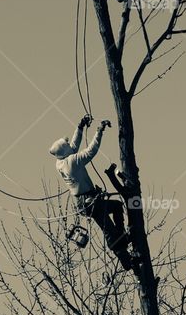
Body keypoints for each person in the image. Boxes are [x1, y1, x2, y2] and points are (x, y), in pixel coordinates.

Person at [50, 115, 134, 270]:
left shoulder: (60, 162)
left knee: (116, 207)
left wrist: (80, 126)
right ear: (65, 150)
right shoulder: (73, 162)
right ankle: (125, 259)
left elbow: (73, 146)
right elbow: (91, 151)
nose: (71, 146)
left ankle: (121, 236)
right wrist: (99, 131)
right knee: (108, 229)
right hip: (90, 202)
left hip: (86, 201)